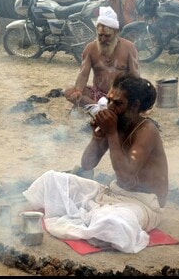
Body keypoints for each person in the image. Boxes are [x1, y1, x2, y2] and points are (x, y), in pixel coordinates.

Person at [22, 74, 168, 253]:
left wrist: (112, 134)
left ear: (135, 105)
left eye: (118, 103)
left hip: (144, 204)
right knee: (50, 180)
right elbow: (87, 164)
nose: (110, 107)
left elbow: (127, 180)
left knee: (112, 223)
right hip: (113, 194)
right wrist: (98, 136)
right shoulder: (116, 123)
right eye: (109, 100)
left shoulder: (147, 131)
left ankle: (100, 220)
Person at [64, 6, 139, 107]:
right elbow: (83, 75)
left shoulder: (129, 47)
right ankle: (102, 108)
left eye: (107, 36)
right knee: (69, 92)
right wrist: (78, 91)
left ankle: (98, 108)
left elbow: (135, 77)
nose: (103, 39)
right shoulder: (90, 48)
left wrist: (125, 94)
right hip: (97, 93)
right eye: (100, 35)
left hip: (120, 95)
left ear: (116, 32)